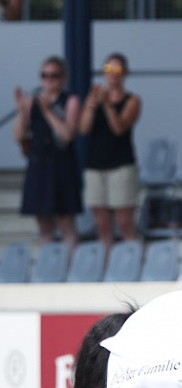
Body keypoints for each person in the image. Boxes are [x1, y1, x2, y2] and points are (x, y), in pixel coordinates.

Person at [13, 55, 82, 248]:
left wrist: (48, 111)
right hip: (39, 163)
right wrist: (22, 111)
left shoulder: (70, 100)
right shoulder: (32, 101)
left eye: (54, 76)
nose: (49, 80)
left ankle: (70, 269)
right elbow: (18, 135)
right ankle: (47, 269)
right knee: (44, 225)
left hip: (61, 164)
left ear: (63, 78)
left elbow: (67, 135)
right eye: (44, 76)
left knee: (66, 223)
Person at [78, 52, 141, 249]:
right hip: (95, 164)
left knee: (124, 222)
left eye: (117, 69)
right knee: (102, 224)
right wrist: (91, 103)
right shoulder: (94, 97)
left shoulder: (132, 100)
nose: (112, 74)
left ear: (125, 73)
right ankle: (105, 268)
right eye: (108, 69)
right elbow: (83, 128)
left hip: (120, 164)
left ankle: (131, 261)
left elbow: (119, 128)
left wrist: (107, 104)